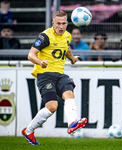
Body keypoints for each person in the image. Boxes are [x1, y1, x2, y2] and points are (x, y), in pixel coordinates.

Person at [21, 11, 87, 145]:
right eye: (58, 24)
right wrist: (40, 62)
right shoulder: (45, 36)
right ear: (53, 23)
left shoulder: (67, 36)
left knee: (69, 94)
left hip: (60, 74)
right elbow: (31, 55)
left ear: (67, 23)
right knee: (52, 107)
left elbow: (66, 48)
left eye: (63, 23)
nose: (61, 27)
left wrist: (72, 58)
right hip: (45, 75)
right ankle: (28, 131)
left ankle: (72, 123)